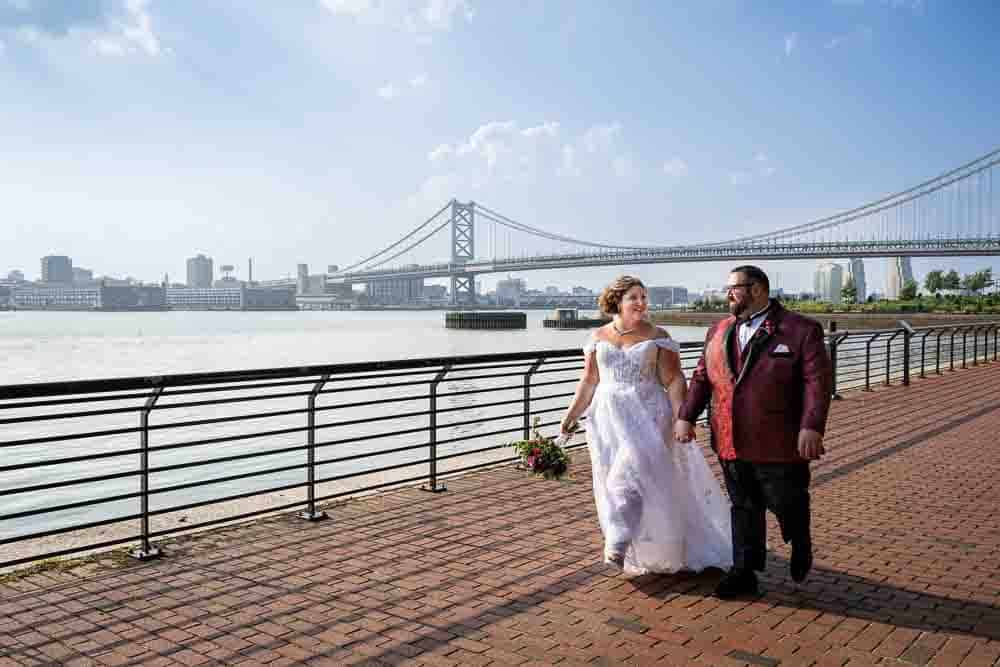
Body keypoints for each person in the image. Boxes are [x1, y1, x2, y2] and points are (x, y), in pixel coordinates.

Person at [674, 265, 832, 599]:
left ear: (758, 289)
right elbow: (703, 378)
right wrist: (686, 416)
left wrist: (811, 426)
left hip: (780, 440)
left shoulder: (801, 330)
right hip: (730, 438)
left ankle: (799, 537)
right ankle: (744, 572)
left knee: (786, 501)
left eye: (735, 288)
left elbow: (817, 383)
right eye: (727, 288)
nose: (728, 294)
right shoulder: (718, 330)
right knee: (743, 507)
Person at [561, 276, 732, 576]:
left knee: (626, 477)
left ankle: (617, 542)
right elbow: (589, 380)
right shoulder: (597, 337)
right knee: (619, 479)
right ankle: (644, 544)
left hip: (649, 415)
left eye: (643, 297)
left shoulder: (657, 335)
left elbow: (673, 379)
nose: (641, 303)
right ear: (617, 302)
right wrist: (571, 415)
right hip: (607, 419)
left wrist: (682, 417)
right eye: (634, 297)